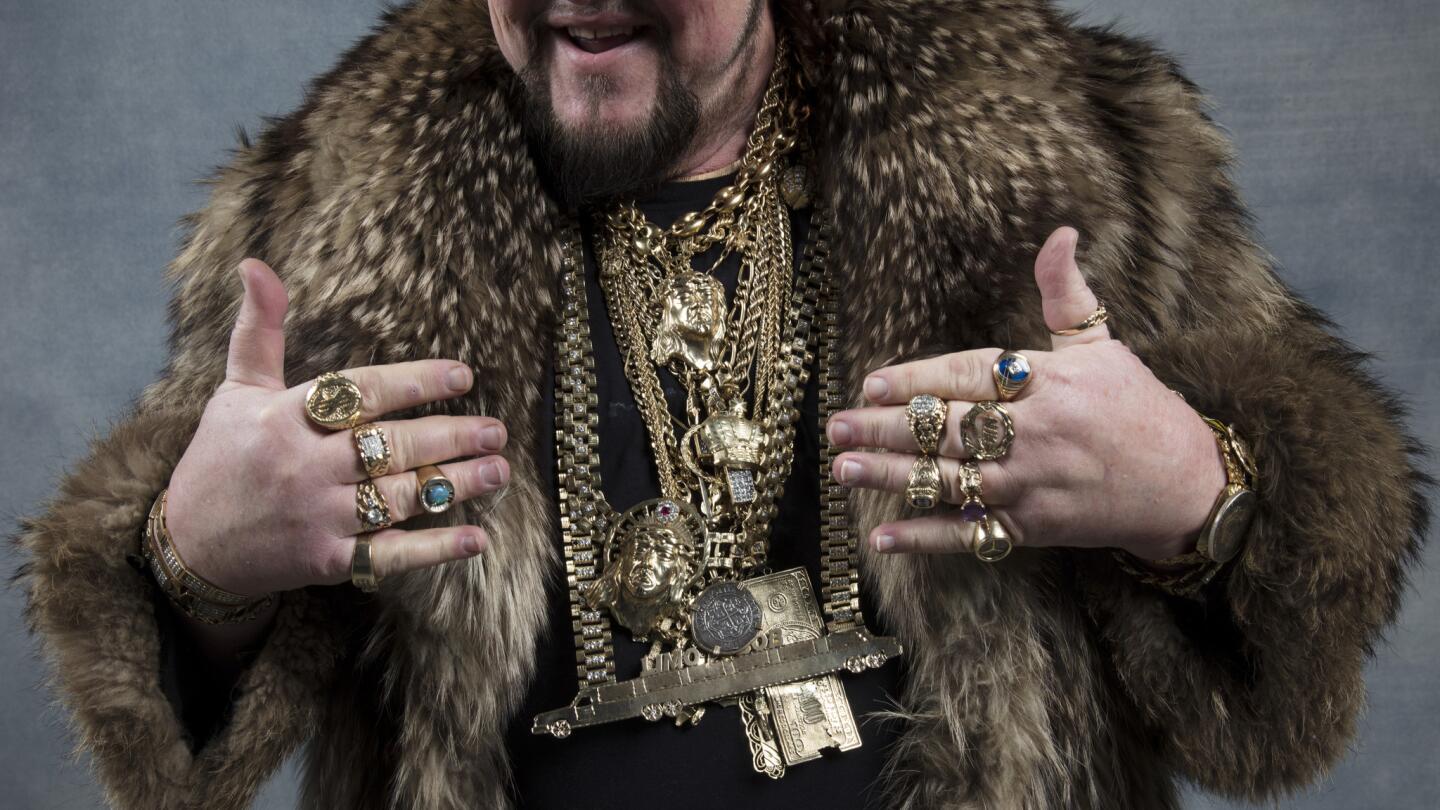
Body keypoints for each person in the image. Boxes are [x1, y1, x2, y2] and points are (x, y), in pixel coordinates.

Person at [14, 0, 1428, 808]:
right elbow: (186, 732)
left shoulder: (1073, 151)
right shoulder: (332, 215)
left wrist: (1200, 490)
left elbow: (1296, 660)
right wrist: (197, 567)